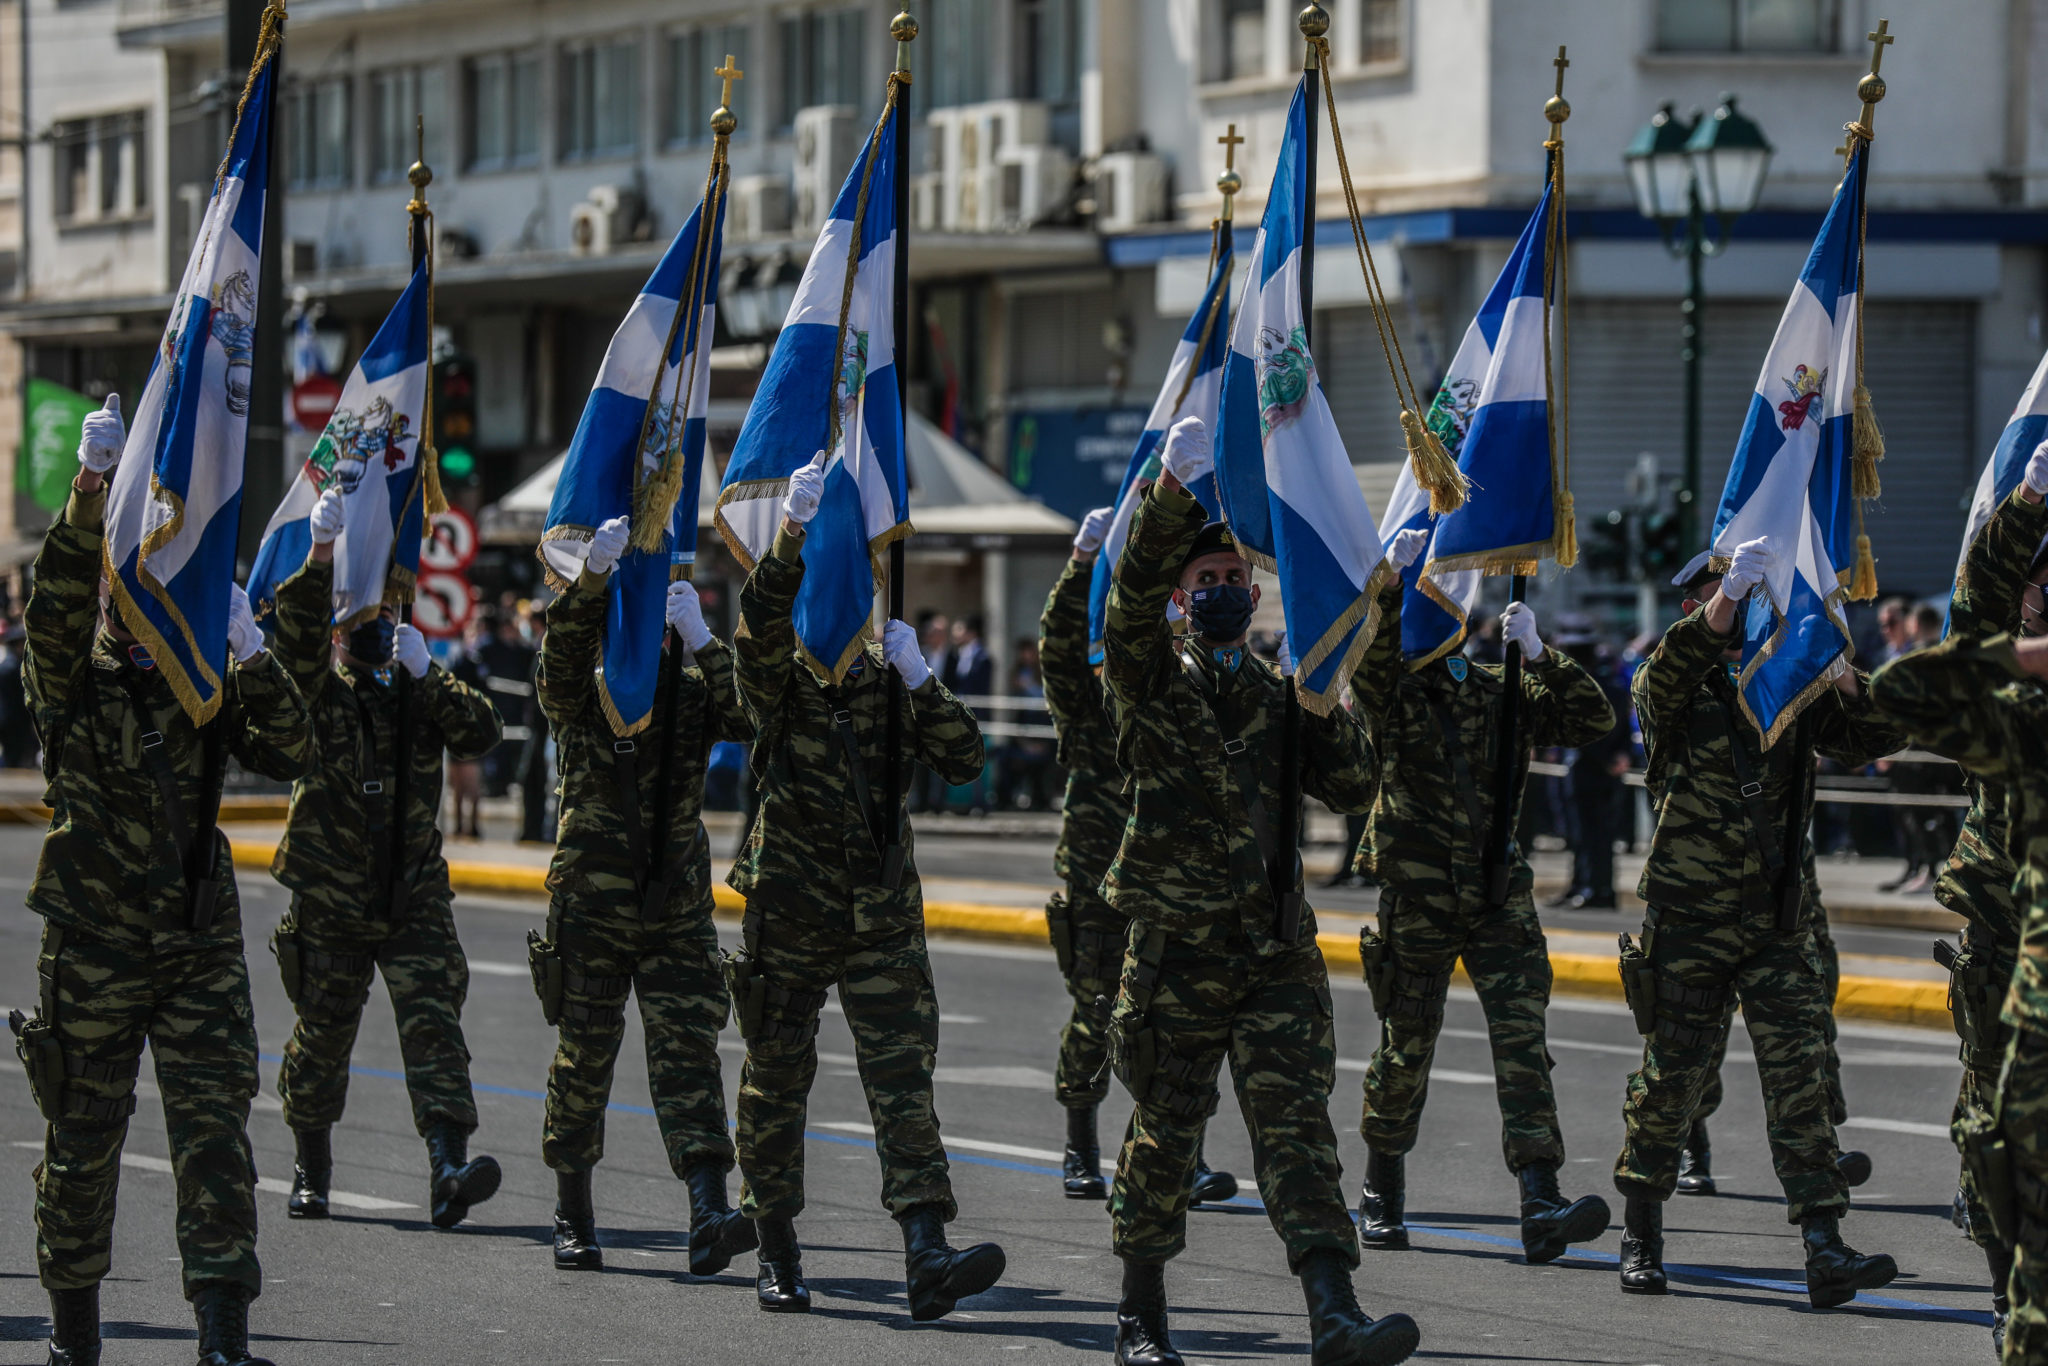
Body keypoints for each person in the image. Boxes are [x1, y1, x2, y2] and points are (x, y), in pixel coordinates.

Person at [1099, 416, 1419, 1366]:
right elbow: (1122, 623)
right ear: (1178, 599)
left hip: (1274, 950)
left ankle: (1333, 1312)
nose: (1228, 592)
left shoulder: (1284, 692)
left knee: (1297, 1135)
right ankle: (1140, 1319)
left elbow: (1356, 781)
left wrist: (1352, 659)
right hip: (1184, 952)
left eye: (1238, 580)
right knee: (1165, 1135)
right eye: (1208, 583)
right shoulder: (1153, 684)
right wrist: (1169, 502)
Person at [13, 395, 313, 1366]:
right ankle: (74, 1339)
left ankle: (223, 1339)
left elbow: (294, 745)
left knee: (215, 1136)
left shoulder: (201, 677)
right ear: (110, 588)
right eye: (125, 581)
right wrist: (90, 487)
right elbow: (49, 618)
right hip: (94, 941)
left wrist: (252, 651)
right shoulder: (73, 682)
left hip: (194, 937)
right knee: (82, 1140)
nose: (139, 599)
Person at [728, 459, 1007, 1321]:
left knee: (902, 1081)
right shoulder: (779, 683)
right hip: (793, 907)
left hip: (882, 912)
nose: (848, 594)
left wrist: (925, 683)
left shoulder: (891, 680)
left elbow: (965, 763)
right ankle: (775, 1247)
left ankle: (927, 1248)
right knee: (777, 1078)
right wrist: (791, 540)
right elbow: (756, 630)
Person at [1612, 538, 1901, 1307]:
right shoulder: (1671, 684)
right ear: (1695, 607)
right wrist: (1729, 595)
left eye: (1748, 593)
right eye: (1724, 595)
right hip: (1690, 918)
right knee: (1672, 1080)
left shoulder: (1787, 682)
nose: (1741, 607)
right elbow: (1661, 678)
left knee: (1800, 1080)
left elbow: (1875, 739)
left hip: (1775, 920)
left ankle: (1823, 1245)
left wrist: (1834, 660)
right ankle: (1641, 1231)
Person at [1349, 547, 1617, 1267]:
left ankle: (1539, 1199)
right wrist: (1389, 589)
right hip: (1421, 895)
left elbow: (1594, 719)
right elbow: (1365, 669)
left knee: (1524, 1045)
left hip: (1499, 893)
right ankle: (1381, 1189)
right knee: (1407, 1047)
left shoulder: (1505, 687)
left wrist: (1542, 652)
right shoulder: (1400, 692)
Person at [267, 488, 506, 1230]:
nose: (377, 631)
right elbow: (295, 650)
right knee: (322, 1035)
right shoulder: (318, 691)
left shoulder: (417, 687)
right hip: (333, 897)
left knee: (435, 1027)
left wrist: (427, 675)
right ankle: (311, 1166)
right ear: (343, 629)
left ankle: (446, 1168)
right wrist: (320, 558)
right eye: (365, 622)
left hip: (410, 894)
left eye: (387, 618)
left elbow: (483, 735)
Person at [526, 514, 758, 1277]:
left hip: (676, 903)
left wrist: (703, 639)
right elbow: (556, 665)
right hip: (594, 902)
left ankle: (706, 1210)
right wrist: (593, 580)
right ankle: (573, 1212)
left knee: (690, 1052)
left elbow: (747, 717)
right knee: (585, 1056)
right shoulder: (587, 688)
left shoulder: (690, 688)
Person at [1867, 443, 2048, 1356]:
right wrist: (2026, 501)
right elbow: (1930, 671)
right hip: (2013, 938)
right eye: (2039, 582)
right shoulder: (2008, 691)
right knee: (2002, 1124)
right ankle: (2008, 1296)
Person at [1039, 505, 1238, 1208]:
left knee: (1182, 1021)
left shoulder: (1172, 696)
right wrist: (1079, 566)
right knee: (1098, 1010)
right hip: (1098, 882)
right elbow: (1058, 649)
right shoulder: (1088, 706)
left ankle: (1189, 1154)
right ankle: (1079, 1142)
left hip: (1166, 882)